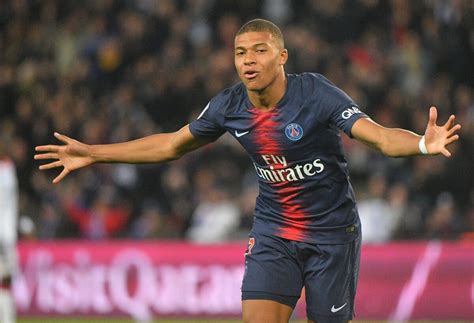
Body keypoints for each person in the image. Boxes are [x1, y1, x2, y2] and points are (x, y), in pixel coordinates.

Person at [34, 19, 461, 323]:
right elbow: (170, 145)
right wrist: (94, 152)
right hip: (275, 232)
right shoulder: (229, 105)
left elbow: (381, 137)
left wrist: (424, 143)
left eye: (259, 51)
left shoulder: (315, 93)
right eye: (240, 53)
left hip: (332, 235)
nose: (248, 60)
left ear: (282, 57)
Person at [0, 141, 19, 323]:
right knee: (5, 282)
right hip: (6, 234)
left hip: (5, 234)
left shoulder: (7, 169)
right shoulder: (8, 169)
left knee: (5, 282)